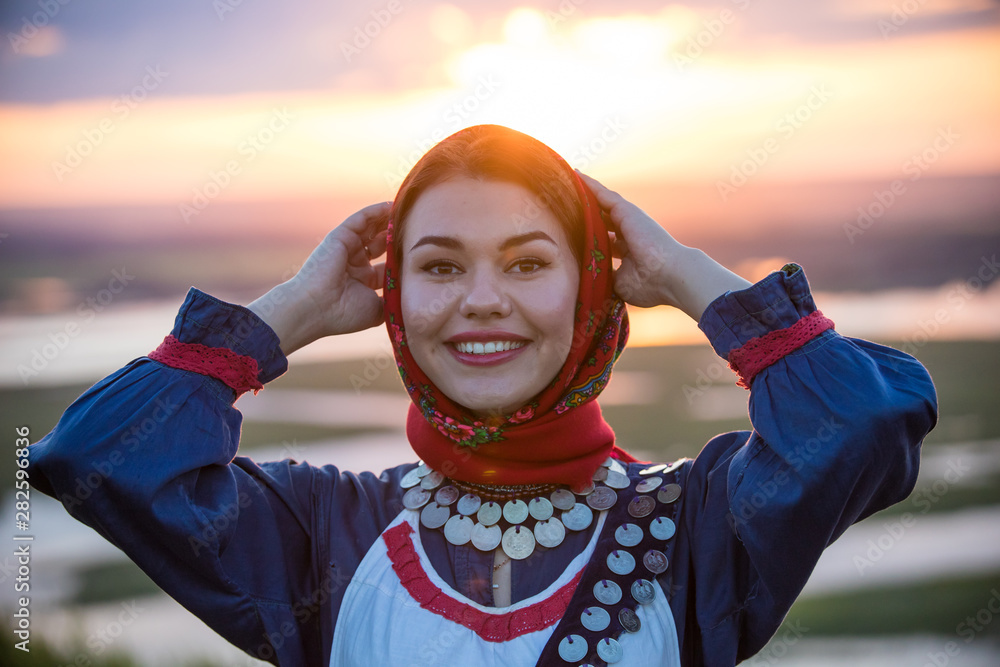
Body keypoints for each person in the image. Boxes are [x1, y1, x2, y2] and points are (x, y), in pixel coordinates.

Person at [28, 125, 937, 666]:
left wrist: (688, 274)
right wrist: (285, 313)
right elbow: (96, 458)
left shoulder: (697, 530)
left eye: (531, 262)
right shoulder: (328, 536)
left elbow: (863, 421)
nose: (482, 300)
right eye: (440, 266)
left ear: (592, 288)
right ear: (395, 300)